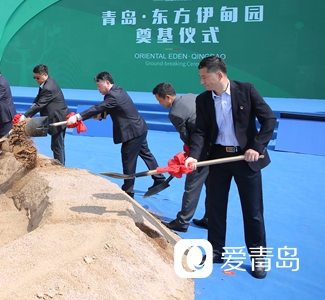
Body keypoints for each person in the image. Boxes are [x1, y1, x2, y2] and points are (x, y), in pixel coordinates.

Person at [186, 56, 275, 279]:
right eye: (200, 77)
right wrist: (193, 156)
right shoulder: (203, 100)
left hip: (246, 159)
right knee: (215, 207)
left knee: (252, 211)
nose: (202, 82)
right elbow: (199, 132)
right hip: (218, 159)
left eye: (204, 77)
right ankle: (216, 250)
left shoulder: (246, 90)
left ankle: (258, 257)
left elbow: (269, 120)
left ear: (219, 75)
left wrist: (257, 147)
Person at [67, 71, 166, 198]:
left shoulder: (111, 96)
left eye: (99, 86)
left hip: (133, 132)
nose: (98, 89)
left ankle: (128, 191)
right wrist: (102, 115)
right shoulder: (118, 90)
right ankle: (159, 178)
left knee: (128, 159)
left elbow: (99, 107)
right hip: (139, 128)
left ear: (107, 83)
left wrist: (78, 117)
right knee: (146, 154)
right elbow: (111, 108)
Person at [153, 82, 208, 233]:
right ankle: (210, 218)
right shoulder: (190, 96)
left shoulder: (175, 113)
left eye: (160, 100)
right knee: (212, 185)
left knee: (192, 186)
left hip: (201, 152)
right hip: (213, 145)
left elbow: (187, 136)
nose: (159, 103)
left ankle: (182, 221)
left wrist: (190, 154)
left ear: (168, 97)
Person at [20, 64, 69, 165]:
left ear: (45, 74)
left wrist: (25, 116)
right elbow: (39, 97)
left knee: (57, 145)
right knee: (57, 145)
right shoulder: (47, 82)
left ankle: (61, 168)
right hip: (53, 115)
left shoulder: (48, 88)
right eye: (34, 77)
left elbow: (40, 104)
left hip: (58, 118)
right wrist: (33, 104)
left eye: (37, 77)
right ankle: (60, 164)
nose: (36, 80)